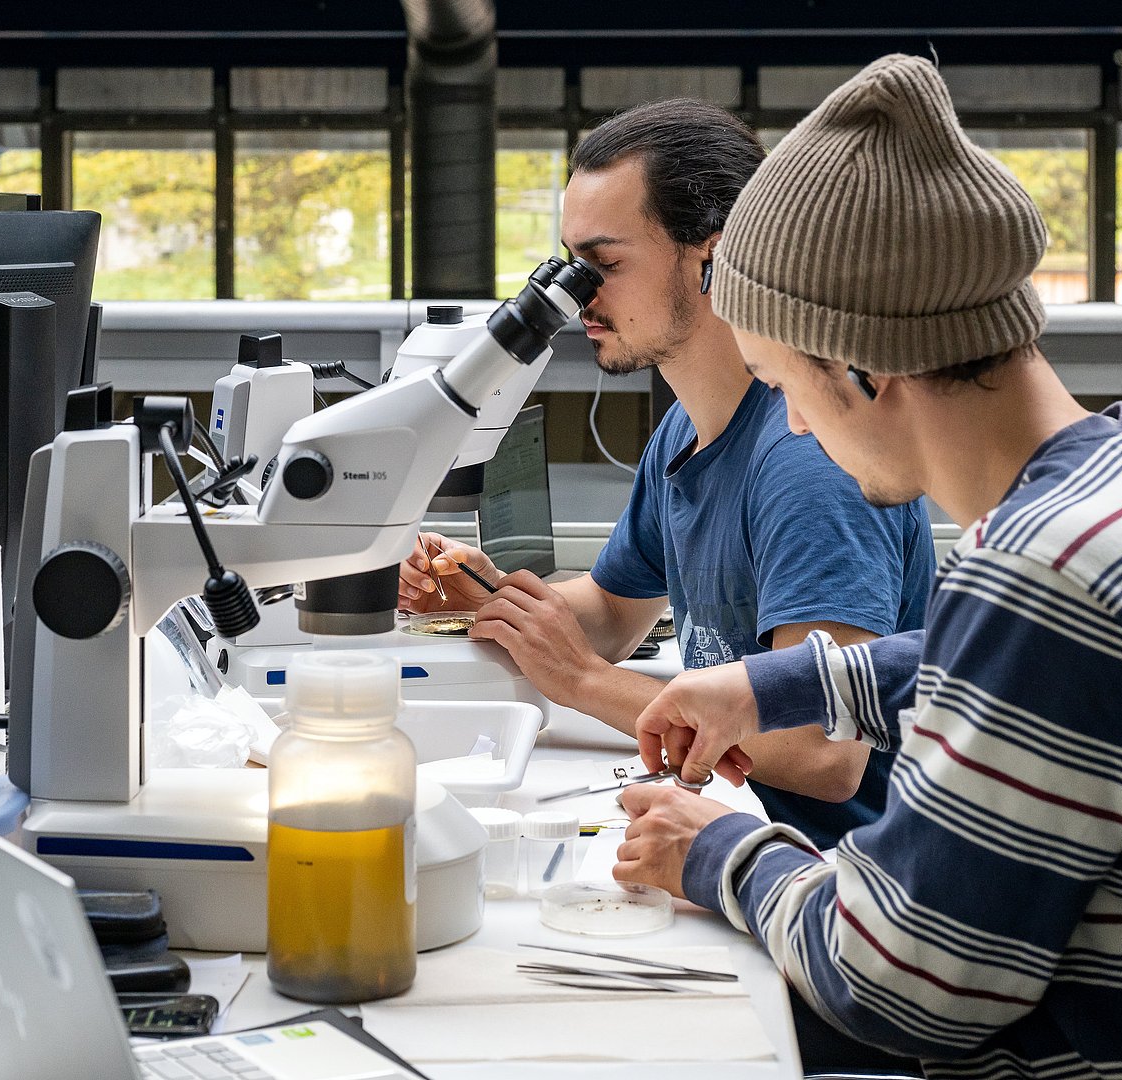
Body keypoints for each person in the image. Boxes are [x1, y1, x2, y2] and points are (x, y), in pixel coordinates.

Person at [614, 55, 1122, 1078]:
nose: (795, 429)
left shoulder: (1046, 577)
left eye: (786, 385)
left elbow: (898, 989)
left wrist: (715, 851)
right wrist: (771, 685)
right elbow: (1026, 676)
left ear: (866, 366)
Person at [399, 98, 935, 850]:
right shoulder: (687, 427)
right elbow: (616, 612)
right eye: (570, 265)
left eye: (604, 265)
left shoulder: (807, 456)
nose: (576, 298)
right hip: (735, 820)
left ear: (712, 257)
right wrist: (496, 603)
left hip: (832, 874)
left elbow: (824, 753)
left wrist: (583, 681)